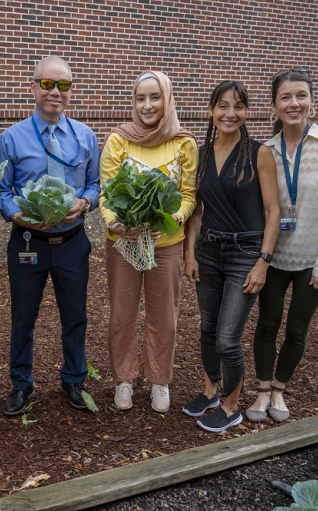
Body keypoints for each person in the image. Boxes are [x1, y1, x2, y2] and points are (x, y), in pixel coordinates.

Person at [0, 56, 101, 414]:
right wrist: (18, 216)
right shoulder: (11, 138)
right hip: (29, 245)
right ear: (33, 87)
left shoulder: (86, 137)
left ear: (70, 91)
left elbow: (95, 184)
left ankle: (74, 379)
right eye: (47, 84)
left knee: (75, 316)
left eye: (64, 85)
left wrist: (85, 202)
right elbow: (2, 191)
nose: (55, 92)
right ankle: (22, 385)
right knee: (24, 318)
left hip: (72, 244)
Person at [247, 68, 318, 422]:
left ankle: (279, 390)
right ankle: (261, 392)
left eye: (300, 96)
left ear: (311, 101)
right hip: (275, 256)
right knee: (267, 323)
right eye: (285, 97)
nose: (294, 104)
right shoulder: (267, 150)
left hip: (313, 259)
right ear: (274, 105)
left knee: (296, 328)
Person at [182, 80, 281, 432]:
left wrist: (263, 261)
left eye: (238, 106)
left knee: (227, 337)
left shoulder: (259, 152)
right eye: (223, 106)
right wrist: (190, 254)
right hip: (207, 251)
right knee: (207, 329)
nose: (230, 113)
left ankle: (231, 405)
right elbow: (196, 210)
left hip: (245, 253)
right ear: (211, 110)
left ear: (247, 112)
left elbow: (273, 212)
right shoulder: (202, 153)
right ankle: (211, 390)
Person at [99, 71, 197, 413]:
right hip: (123, 244)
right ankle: (124, 378)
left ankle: (159, 380)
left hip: (167, 245)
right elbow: (107, 193)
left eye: (155, 97)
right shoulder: (119, 140)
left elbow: (188, 196)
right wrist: (116, 223)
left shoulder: (183, 142)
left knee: (164, 316)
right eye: (141, 98)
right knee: (122, 314)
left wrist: (170, 220)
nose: (147, 105)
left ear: (167, 99)